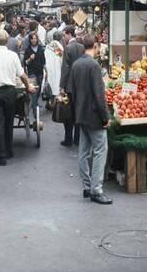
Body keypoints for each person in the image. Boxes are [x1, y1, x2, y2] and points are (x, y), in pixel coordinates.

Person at [0, 30, 36, 166]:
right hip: (10, 92)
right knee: (9, 121)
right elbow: (22, 75)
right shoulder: (13, 55)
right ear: (8, 41)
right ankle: (9, 150)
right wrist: (29, 86)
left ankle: (1, 156)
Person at [71, 35, 112, 204]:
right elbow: (99, 95)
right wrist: (105, 117)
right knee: (100, 151)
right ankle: (96, 190)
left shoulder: (76, 65)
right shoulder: (94, 66)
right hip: (94, 116)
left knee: (83, 152)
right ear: (95, 46)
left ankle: (87, 187)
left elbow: (71, 91)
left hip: (81, 114)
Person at [60, 26, 85, 146]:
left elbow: (65, 68)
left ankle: (68, 139)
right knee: (78, 112)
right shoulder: (82, 47)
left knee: (68, 113)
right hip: (80, 84)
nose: (63, 38)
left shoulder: (68, 48)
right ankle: (77, 139)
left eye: (64, 35)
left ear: (69, 34)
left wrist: (62, 86)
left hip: (70, 85)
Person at [24, 32, 47, 120]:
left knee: (38, 90)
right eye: (32, 38)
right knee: (34, 91)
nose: (34, 40)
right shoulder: (28, 50)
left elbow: (43, 60)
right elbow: (25, 63)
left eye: (35, 38)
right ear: (30, 40)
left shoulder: (41, 48)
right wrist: (30, 58)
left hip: (40, 72)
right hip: (31, 72)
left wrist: (46, 70)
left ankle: (34, 104)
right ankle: (34, 111)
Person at [44, 30, 64, 97]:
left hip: (48, 69)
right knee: (56, 87)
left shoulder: (47, 46)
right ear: (60, 38)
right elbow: (62, 59)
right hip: (57, 69)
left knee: (49, 87)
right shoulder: (59, 47)